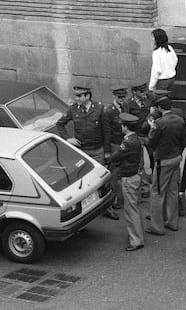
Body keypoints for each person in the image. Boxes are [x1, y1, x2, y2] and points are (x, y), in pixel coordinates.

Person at [56, 85, 118, 220]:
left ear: (88, 96)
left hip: (97, 150)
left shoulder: (100, 109)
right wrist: (68, 139)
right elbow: (60, 124)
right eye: (76, 96)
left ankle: (107, 207)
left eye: (79, 96)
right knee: (81, 181)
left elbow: (106, 131)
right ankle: (84, 208)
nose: (76, 98)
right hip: (82, 152)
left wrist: (107, 151)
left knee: (102, 180)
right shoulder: (73, 110)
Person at [146, 95, 186, 235]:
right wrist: (178, 153)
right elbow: (184, 141)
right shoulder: (180, 120)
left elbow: (151, 143)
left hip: (162, 161)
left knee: (157, 192)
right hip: (176, 158)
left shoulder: (159, 123)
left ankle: (157, 227)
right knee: (173, 191)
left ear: (159, 108)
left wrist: (152, 128)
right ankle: (172, 222)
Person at [111, 113, 144, 251]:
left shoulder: (127, 143)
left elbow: (116, 156)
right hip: (135, 175)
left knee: (131, 210)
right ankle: (137, 235)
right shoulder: (136, 139)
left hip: (128, 177)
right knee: (134, 207)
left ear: (125, 127)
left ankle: (136, 240)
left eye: (122, 125)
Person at [125, 80, 153, 199]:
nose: (143, 93)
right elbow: (127, 119)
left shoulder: (148, 99)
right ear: (134, 92)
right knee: (140, 162)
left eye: (144, 90)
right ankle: (143, 187)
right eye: (141, 91)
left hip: (149, 134)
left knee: (152, 160)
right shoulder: (129, 103)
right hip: (138, 135)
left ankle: (149, 184)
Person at [104, 85, 128, 209]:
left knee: (121, 171)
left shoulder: (125, 107)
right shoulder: (109, 111)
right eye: (119, 97)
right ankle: (114, 199)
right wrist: (107, 151)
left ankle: (119, 197)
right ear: (114, 97)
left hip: (123, 142)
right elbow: (107, 132)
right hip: (114, 144)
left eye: (124, 97)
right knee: (114, 173)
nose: (122, 99)